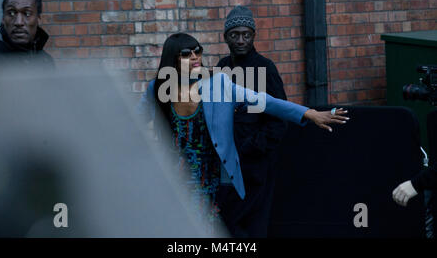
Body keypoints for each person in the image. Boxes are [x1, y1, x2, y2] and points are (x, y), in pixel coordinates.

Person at [137, 32, 349, 235]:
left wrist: (309, 113)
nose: (194, 57)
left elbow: (265, 101)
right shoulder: (157, 88)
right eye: (186, 53)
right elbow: (133, 119)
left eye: (197, 51)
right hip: (173, 177)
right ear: (172, 59)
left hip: (211, 179)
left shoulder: (218, 84)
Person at [215, 5, 290, 237]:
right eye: (234, 34)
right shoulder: (222, 67)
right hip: (228, 163)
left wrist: (254, 146)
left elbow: (280, 118)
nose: (240, 40)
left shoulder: (265, 68)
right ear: (226, 37)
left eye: (245, 34)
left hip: (256, 164)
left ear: (253, 36)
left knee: (254, 224)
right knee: (228, 222)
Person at [0, 0, 54, 67]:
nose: (18, 22)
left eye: (27, 13)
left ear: (38, 19)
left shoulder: (46, 61)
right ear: (3, 19)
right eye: (11, 13)